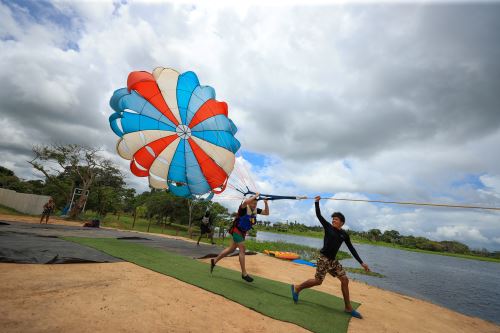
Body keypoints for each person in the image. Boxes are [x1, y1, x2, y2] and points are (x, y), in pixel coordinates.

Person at [291, 196, 370, 319]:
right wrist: (316, 202)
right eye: (333, 219)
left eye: (336, 219)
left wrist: (361, 263)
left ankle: (348, 308)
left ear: (342, 222)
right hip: (323, 258)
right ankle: (297, 288)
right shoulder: (328, 227)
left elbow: (351, 249)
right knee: (318, 281)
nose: (333, 221)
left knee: (345, 280)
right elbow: (319, 215)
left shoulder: (344, 234)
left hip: (333, 261)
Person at [210, 193, 269, 282]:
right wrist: (256, 196)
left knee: (231, 249)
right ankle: (244, 273)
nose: (254, 205)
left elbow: (266, 213)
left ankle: (214, 261)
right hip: (236, 230)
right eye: (253, 203)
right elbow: (246, 201)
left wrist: (265, 203)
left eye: (255, 204)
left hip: (242, 233)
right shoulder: (243, 208)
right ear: (249, 203)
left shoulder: (255, 210)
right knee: (242, 249)